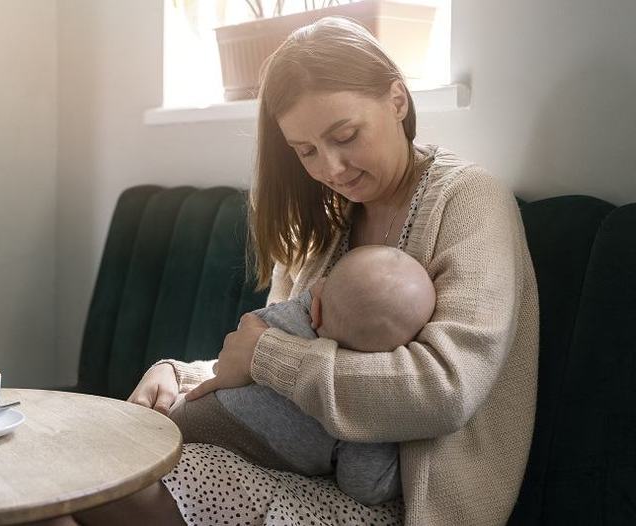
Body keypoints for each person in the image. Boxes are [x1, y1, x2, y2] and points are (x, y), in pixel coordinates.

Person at [40, 14, 538, 526]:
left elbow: (443, 390)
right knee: (64, 491)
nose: (332, 169)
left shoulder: (469, 200)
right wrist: (178, 373)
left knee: (109, 492)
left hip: (399, 501)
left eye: (345, 135)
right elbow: (275, 349)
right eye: (306, 151)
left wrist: (268, 357)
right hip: (295, 464)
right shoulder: (329, 217)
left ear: (397, 99)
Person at [168, 244, 436, 507]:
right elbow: (365, 487)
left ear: (316, 309)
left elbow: (242, 338)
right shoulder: (361, 409)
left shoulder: (288, 318)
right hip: (226, 455)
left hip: (190, 417)